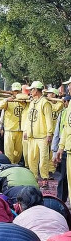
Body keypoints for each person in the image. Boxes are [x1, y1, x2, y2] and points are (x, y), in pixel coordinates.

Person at [24, 81, 53, 187]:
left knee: (43, 159)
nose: (30, 91)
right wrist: (26, 131)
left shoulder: (44, 102)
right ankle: (34, 178)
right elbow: (28, 118)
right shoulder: (32, 103)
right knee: (32, 159)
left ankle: (45, 178)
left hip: (42, 136)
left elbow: (49, 119)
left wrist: (49, 134)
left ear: (36, 90)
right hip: (32, 136)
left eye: (32, 89)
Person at [0, 82, 29, 163]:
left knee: (19, 151)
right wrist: (6, 100)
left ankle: (15, 164)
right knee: (9, 150)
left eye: (18, 91)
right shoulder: (7, 101)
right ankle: (9, 164)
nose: (16, 93)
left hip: (20, 129)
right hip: (9, 129)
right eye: (15, 91)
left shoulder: (24, 100)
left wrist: (20, 98)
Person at [52, 96, 71, 202]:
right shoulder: (64, 112)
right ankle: (61, 200)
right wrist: (58, 148)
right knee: (63, 177)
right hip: (66, 148)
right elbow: (62, 130)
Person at [57, 76, 71, 204]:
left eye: (70, 85)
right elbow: (66, 128)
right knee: (65, 178)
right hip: (68, 149)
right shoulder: (69, 107)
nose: (68, 87)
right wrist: (61, 147)